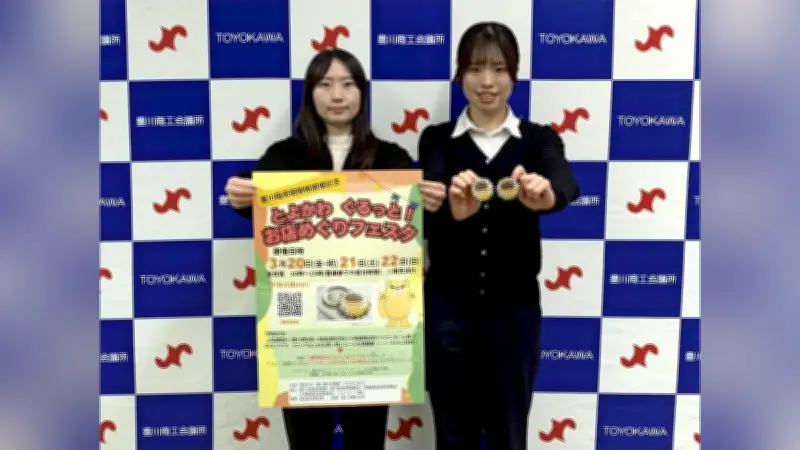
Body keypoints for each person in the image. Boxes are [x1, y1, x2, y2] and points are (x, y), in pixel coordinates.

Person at [224, 48, 415, 450]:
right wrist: (240, 193)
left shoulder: (390, 158)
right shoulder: (286, 155)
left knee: (367, 440)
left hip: (371, 327)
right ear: (310, 93)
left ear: (362, 93)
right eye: (325, 84)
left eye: (348, 84)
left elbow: (416, 212)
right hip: (302, 328)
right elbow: (254, 194)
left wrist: (429, 198)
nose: (337, 95)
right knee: (306, 440)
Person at [417, 22, 580, 450]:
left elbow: (565, 181)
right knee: (453, 434)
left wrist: (545, 195)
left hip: (514, 314)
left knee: (510, 432)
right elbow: (431, 203)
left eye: (499, 69)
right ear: (459, 75)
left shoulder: (539, 139)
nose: (487, 82)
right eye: (475, 69)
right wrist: (453, 208)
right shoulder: (436, 139)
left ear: (514, 75)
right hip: (448, 312)